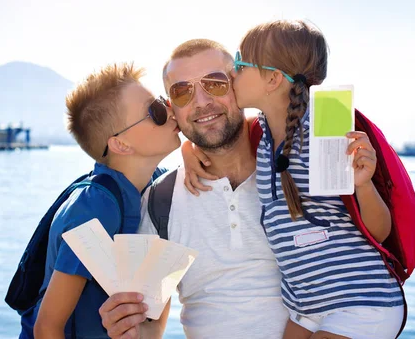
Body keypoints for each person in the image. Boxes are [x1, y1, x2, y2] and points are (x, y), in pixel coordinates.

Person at [98, 40, 289, 339]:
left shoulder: (294, 170)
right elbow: (151, 325)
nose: (200, 102)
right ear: (172, 109)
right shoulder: (161, 200)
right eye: (183, 91)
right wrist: (129, 328)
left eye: (215, 83)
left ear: (238, 85)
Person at [228, 20, 405, 339]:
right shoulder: (262, 135)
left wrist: (362, 184)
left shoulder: (328, 131)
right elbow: (219, 146)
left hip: (361, 301)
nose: (232, 73)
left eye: (239, 64)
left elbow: (379, 231)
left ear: (271, 78)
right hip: (306, 305)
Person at [19, 63, 180, 339]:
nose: (171, 111)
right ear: (121, 144)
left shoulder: (161, 187)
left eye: (164, 102)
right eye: (155, 110)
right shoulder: (95, 206)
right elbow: (47, 327)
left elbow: (154, 315)